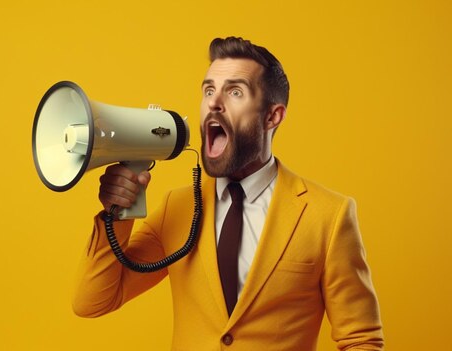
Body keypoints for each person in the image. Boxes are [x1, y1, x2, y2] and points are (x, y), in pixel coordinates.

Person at [72, 37, 384, 350]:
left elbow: (360, 339)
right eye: (208, 90)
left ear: (272, 116)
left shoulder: (328, 215)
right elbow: (93, 302)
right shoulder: (177, 208)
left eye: (235, 92)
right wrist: (117, 214)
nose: (214, 103)